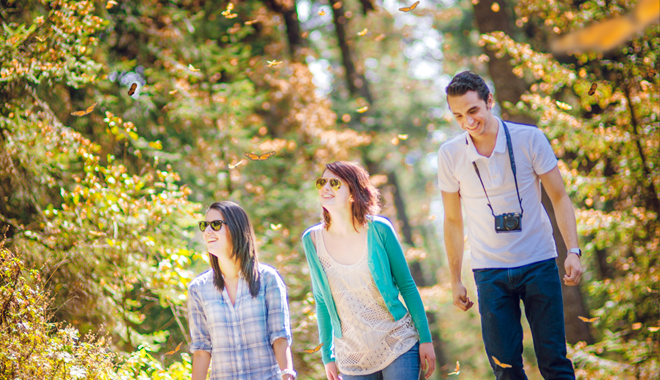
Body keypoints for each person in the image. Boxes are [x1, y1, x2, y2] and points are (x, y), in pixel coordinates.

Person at [437, 71, 583, 379]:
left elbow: (559, 197)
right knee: (505, 369)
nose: (467, 122)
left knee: (554, 363)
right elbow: (452, 220)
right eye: (458, 115)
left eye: (473, 110)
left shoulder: (529, 139)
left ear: (490, 101)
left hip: (539, 262)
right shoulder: (449, 154)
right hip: (489, 272)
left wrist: (573, 250)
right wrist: (455, 279)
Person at [301, 161, 437, 380]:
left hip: (397, 342)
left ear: (353, 194)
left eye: (334, 183)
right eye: (321, 182)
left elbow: (407, 286)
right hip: (352, 357)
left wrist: (426, 339)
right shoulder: (312, 241)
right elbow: (322, 301)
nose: (325, 188)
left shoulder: (379, 230)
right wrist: (327, 355)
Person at [187, 201, 296, 380]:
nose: (207, 232)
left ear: (237, 228)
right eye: (204, 225)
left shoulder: (268, 279)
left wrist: (287, 374)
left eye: (215, 225)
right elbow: (201, 349)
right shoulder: (198, 289)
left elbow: (279, 337)